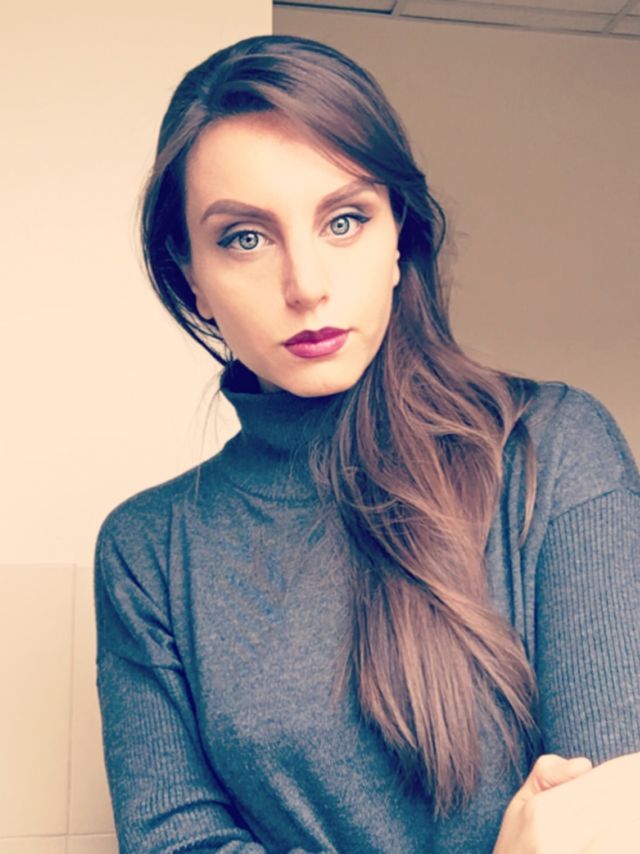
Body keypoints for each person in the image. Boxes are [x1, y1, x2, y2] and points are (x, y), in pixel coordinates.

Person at [94, 34, 640, 853]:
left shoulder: (553, 451)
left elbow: (609, 820)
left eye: (344, 220)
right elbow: (178, 842)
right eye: (245, 237)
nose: (306, 285)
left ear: (396, 241)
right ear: (193, 279)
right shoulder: (148, 550)